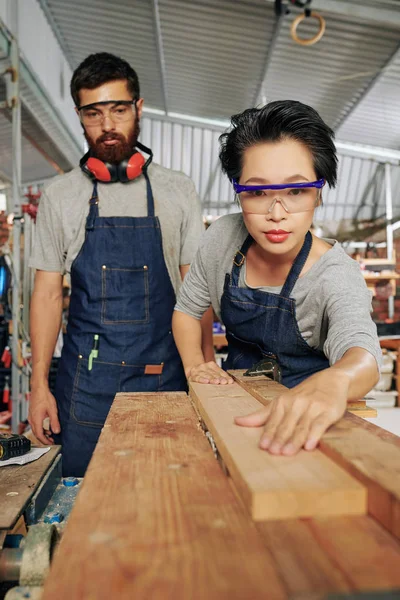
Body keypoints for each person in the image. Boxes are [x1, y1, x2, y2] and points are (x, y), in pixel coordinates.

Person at [29, 52, 213, 477]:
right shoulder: (60, 196)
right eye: (93, 113)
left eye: (118, 109)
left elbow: (194, 292)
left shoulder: (177, 191)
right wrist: (39, 385)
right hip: (86, 386)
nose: (107, 124)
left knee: (166, 497)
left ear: (139, 108)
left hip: (165, 377)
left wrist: (205, 372)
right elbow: (46, 294)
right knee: (80, 500)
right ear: (79, 115)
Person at [173, 100, 381, 457]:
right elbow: (188, 310)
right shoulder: (222, 238)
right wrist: (196, 366)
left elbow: (363, 353)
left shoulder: (334, 274)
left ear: (319, 191)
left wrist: (338, 380)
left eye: (296, 191)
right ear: (238, 191)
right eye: (257, 193)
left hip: (309, 421)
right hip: (234, 406)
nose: (277, 214)